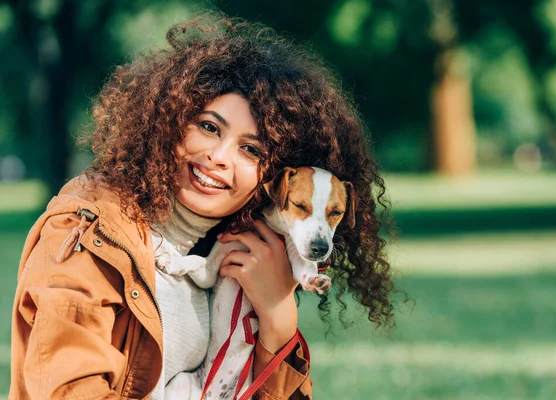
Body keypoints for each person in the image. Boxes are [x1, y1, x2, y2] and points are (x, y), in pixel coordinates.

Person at [9, 14, 396, 400]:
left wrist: (278, 324)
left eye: (251, 149)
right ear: (169, 120)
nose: (219, 157)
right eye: (210, 127)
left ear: (273, 176)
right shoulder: (89, 235)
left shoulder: (237, 252)